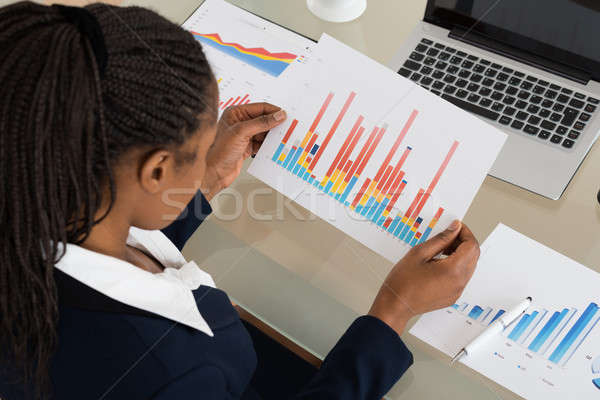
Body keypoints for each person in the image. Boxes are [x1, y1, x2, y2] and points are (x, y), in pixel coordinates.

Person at [0, 2, 480, 399]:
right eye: (203, 139)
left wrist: (202, 180)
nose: (212, 142)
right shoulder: (171, 373)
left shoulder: (27, 191)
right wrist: (394, 310)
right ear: (157, 172)